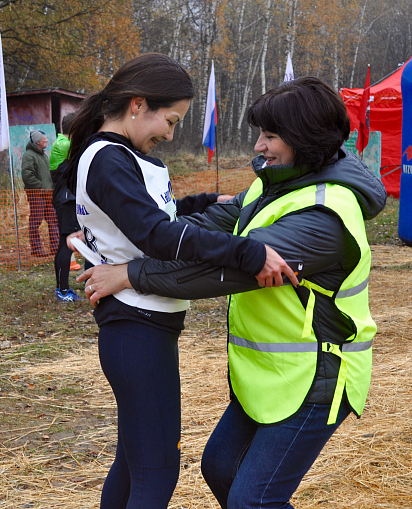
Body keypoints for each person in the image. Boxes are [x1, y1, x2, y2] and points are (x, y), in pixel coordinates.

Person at [76, 76, 386, 509]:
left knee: (253, 500)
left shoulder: (325, 214)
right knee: (220, 468)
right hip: (268, 375)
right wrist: (115, 238)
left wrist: (132, 273)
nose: (258, 146)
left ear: (306, 140)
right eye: (261, 133)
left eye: (270, 136)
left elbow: (223, 273)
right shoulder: (273, 184)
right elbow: (201, 229)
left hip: (316, 377)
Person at [63, 52, 297, 509]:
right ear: (137, 105)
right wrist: (247, 252)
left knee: (133, 468)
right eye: (169, 121)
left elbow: (156, 215)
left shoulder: (120, 156)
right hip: (137, 326)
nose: (169, 135)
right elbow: (156, 234)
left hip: (140, 326)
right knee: (157, 474)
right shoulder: (109, 157)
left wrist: (211, 200)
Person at [50, 112, 83, 302]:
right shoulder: (64, 144)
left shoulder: (63, 143)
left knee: (66, 245)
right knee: (66, 245)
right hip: (67, 199)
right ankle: (63, 290)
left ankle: (62, 288)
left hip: (68, 198)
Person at [21, 129, 59, 256]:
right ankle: (36, 249)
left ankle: (55, 247)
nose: (47, 140)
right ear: (38, 142)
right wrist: (42, 187)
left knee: (53, 220)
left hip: (47, 194)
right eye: (44, 139)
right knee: (36, 221)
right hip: (37, 194)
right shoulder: (29, 155)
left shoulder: (43, 155)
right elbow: (27, 176)